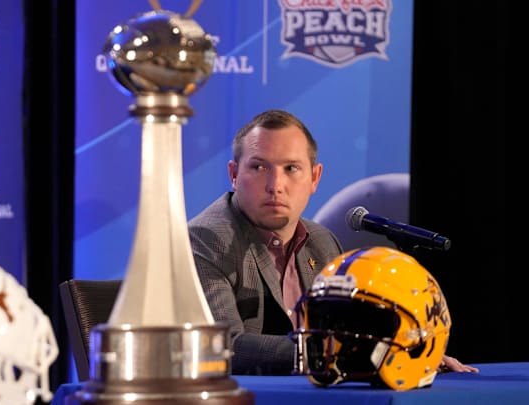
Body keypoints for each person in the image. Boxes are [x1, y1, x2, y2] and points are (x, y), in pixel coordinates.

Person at [187, 109, 478, 376]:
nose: (275, 184)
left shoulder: (322, 242)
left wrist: (409, 352)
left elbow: (351, 329)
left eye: (291, 168)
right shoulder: (205, 240)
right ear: (234, 175)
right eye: (259, 167)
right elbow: (224, 346)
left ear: (314, 178)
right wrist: (341, 352)